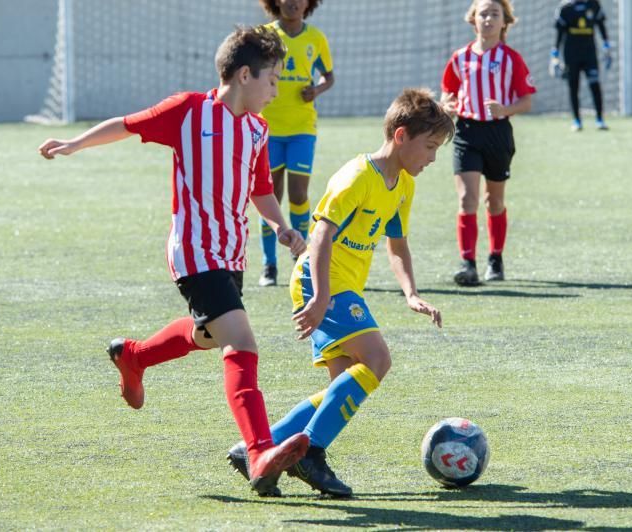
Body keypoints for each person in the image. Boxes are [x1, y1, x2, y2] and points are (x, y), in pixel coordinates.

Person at [37, 26, 310, 497]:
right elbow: (126, 124)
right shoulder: (190, 111)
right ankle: (260, 448)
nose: (276, 89)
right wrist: (74, 144)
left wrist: (280, 226)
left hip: (229, 253)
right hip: (194, 250)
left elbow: (260, 189)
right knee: (240, 341)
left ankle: (135, 357)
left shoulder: (258, 129)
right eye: (273, 79)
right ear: (245, 75)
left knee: (207, 335)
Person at [226, 88, 453, 497]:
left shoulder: (403, 185)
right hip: (321, 281)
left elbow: (397, 245)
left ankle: (259, 447)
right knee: (378, 360)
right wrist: (320, 298)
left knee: (343, 384)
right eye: (430, 147)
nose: (433, 158)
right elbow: (320, 236)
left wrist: (411, 294)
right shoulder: (357, 177)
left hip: (340, 287)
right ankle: (310, 454)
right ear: (401, 136)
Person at [440, 0, 536, 286]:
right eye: (484, 13)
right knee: (466, 198)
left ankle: (495, 258)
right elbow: (448, 94)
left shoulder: (511, 58)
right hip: (467, 132)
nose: (489, 19)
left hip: (498, 133)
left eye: (495, 14)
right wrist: (448, 106)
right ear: (473, 20)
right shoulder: (459, 58)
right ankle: (467, 263)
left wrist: (505, 109)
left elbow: (527, 100)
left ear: (504, 21)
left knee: (493, 200)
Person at [257, 0, 335, 287]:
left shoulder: (316, 38)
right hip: (268, 127)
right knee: (270, 196)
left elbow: (329, 76)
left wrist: (315, 90)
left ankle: (300, 255)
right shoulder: (265, 35)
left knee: (299, 194)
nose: (293, 2)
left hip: (303, 127)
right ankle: (269, 264)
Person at [551, 0, 612, 131]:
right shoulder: (565, 8)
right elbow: (559, 34)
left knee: (595, 84)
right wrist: (554, 55)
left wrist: (607, 46)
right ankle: (577, 121)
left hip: (589, 52)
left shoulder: (594, 4)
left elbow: (601, 25)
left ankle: (600, 119)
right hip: (571, 53)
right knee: (573, 86)